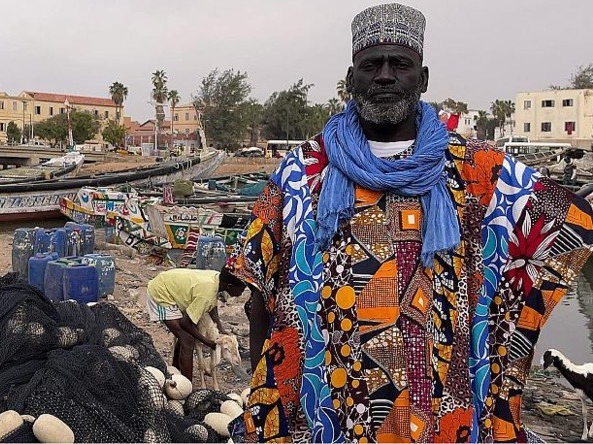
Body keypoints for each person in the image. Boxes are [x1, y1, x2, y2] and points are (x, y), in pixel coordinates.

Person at [226, 3, 593, 442]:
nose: (384, 75)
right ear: (351, 78)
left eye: (399, 64)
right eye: (371, 65)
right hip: (328, 411)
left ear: (422, 78)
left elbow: (565, 224)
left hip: (438, 412)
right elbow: (258, 296)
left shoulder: (480, 171)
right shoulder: (303, 170)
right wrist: (264, 393)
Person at [145, 267, 246, 379]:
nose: (241, 293)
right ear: (229, 286)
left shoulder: (217, 279)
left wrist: (221, 328)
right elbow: (185, 323)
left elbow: (213, 306)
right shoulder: (206, 294)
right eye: (241, 289)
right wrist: (207, 342)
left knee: (183, 336)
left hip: (169, 286)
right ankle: (187, 385)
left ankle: (176, 370)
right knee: (188, 340)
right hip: (160, 291)